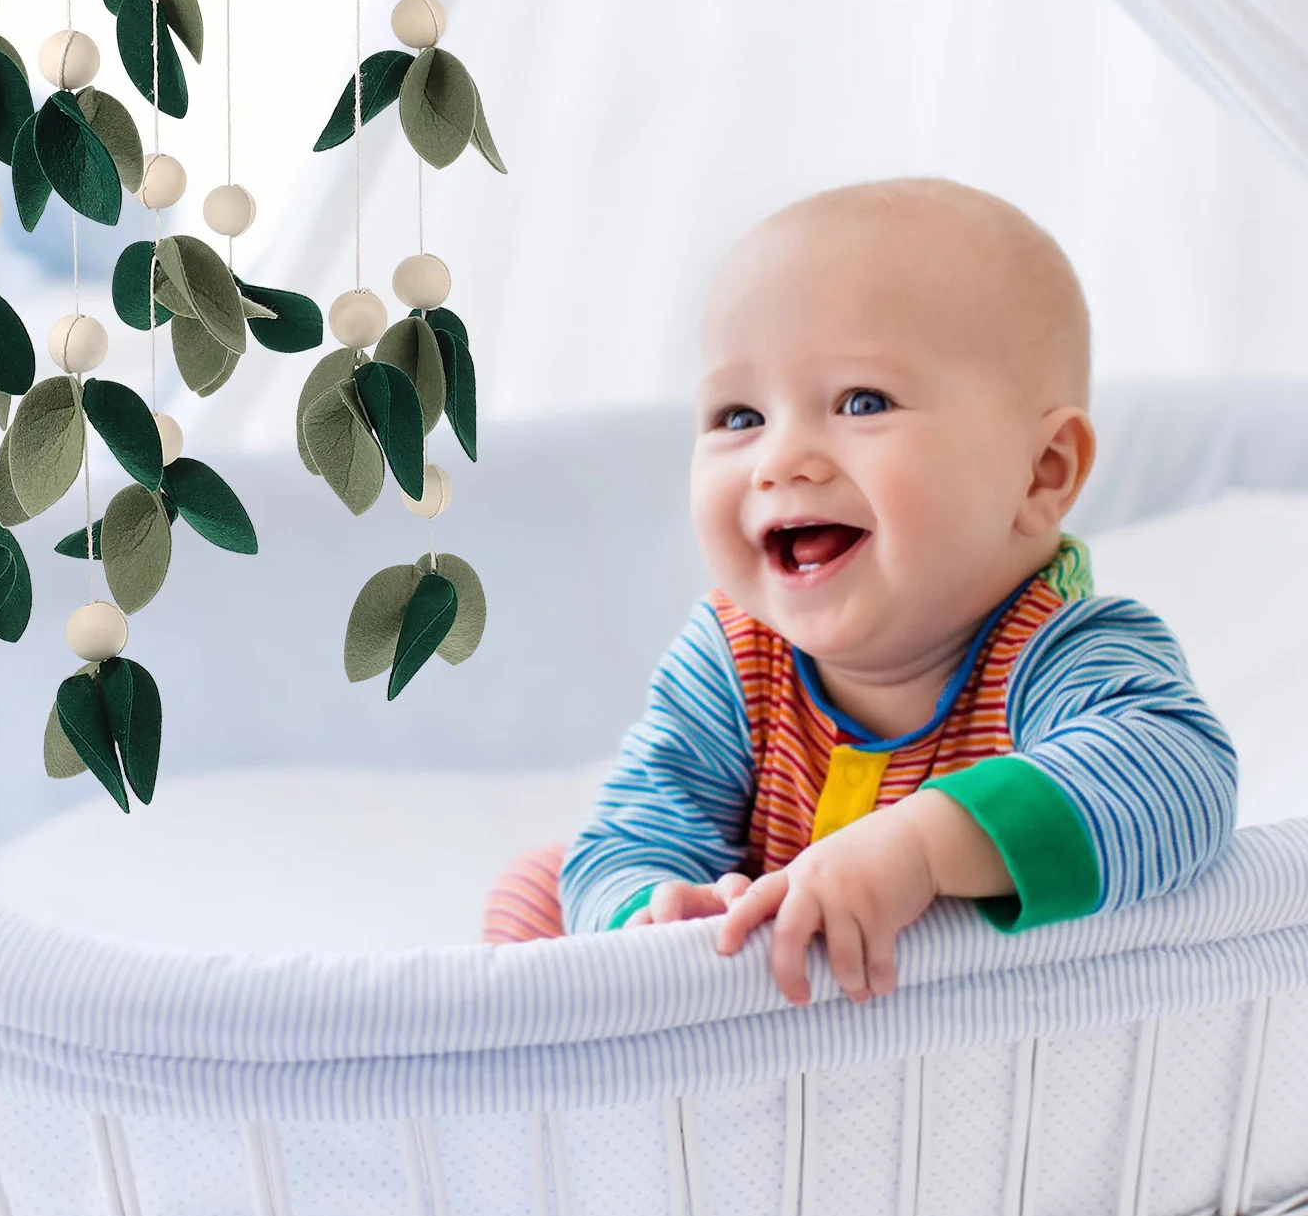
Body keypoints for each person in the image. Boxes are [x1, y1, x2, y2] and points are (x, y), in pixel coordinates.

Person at [483, 178, 1237, 1007]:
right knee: (543, 885)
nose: (781, 458)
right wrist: (656, 916)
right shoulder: (734, 661)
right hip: (759, 1009)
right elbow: (636, 830)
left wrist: (918, 850)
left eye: (862, 402)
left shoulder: (1059, 649)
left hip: (955, 1038)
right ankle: (608, 1099)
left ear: (1041, 474)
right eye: (738, 416)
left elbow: (1179, 775)